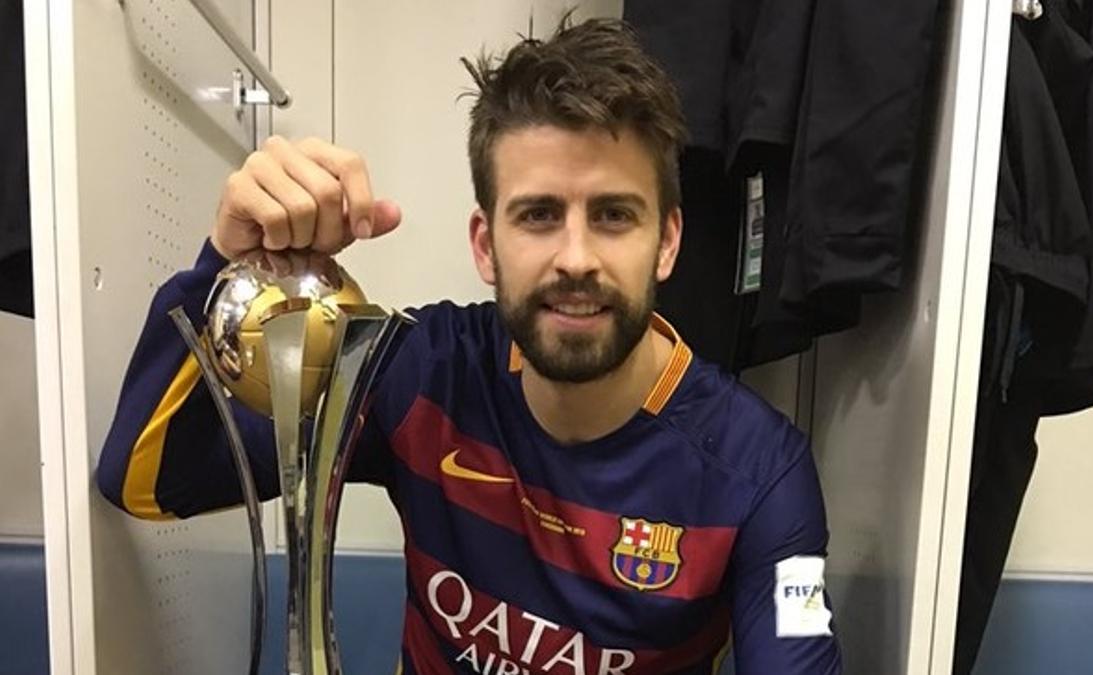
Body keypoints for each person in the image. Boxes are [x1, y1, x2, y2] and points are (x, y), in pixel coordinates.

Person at [96, 17, 841, 675]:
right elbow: (148, 478)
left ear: (667, 241)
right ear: (486, 244)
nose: (576, 257)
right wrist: (225, 264)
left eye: (614, 215)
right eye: (539, 215)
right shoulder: (415, 374)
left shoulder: (757, 472)